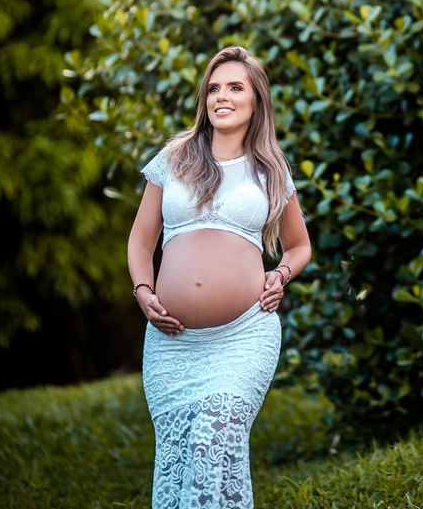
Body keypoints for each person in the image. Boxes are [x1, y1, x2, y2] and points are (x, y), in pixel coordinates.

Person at [126, 44, 312, 509]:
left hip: (244, 335)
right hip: (172, 344)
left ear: (256, 102)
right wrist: (143, 290)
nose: (221, 97)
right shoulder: (174, 158)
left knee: (216, 430)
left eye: (235, 87)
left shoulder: (270, 170)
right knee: (181, 452)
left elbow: (300, 244)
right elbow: (141, 242)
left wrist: (282, 274)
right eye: (213, 88)